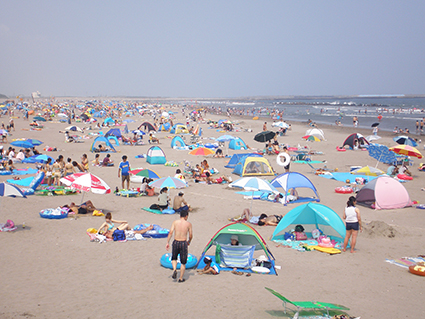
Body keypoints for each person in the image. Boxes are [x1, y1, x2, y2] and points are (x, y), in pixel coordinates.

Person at [165, 210, 193, 283]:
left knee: (174, 258)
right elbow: (190, 235)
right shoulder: (188, 224)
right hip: (183, 242)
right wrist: (189, 241)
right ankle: (180, 278)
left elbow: (170, 232)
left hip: (176, 241)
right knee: (183, 262)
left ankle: (174, 269)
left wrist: (167, 242)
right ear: (186, 216)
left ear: (180, 215)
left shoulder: (175, 222)